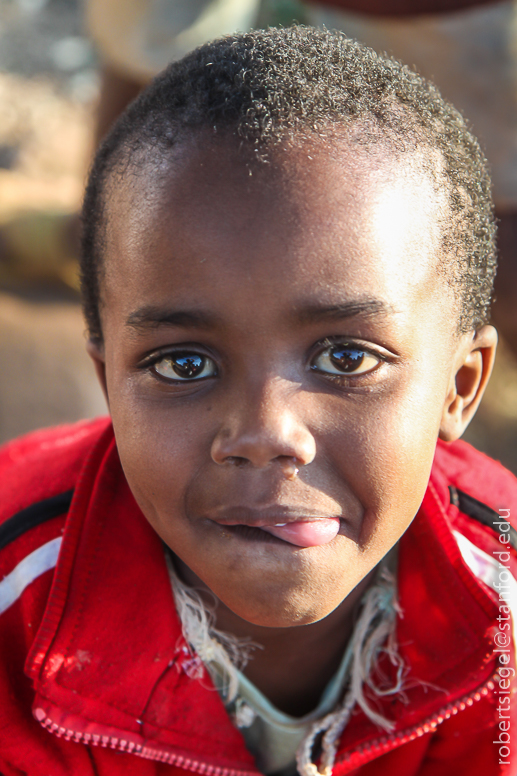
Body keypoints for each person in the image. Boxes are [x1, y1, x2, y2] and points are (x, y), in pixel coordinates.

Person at [0, 25, 515, 776]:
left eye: (347, 357)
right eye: (182, 363)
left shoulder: (504, 604)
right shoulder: (16, 601)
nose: (265, 433)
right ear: (109, 381)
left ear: (458, 385)